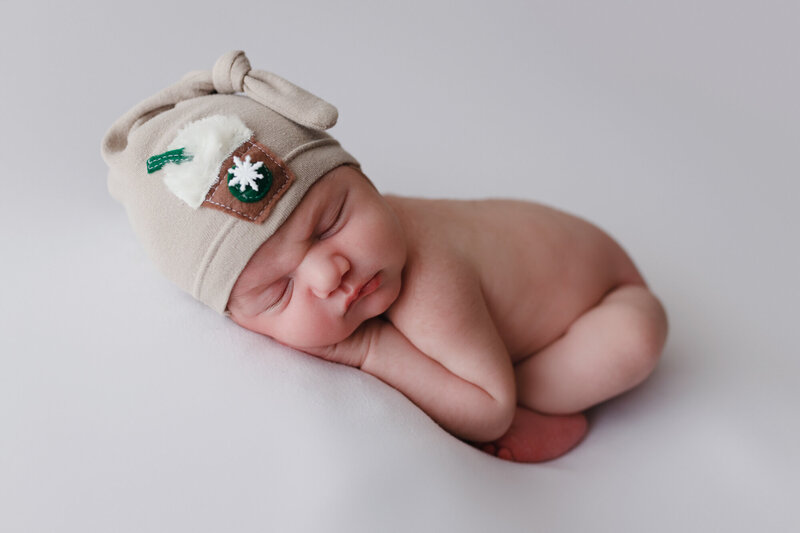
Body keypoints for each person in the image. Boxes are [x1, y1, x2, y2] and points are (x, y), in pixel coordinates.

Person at [103, 51, 668, 463]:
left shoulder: (430, 279)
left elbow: (489, 407)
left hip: (604, 298)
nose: (330, 272)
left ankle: (542, 402)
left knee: (635, 339)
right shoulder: (369, 248)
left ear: (363, 178)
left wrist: (371, 349)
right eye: (277, 292)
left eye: (330, 223)